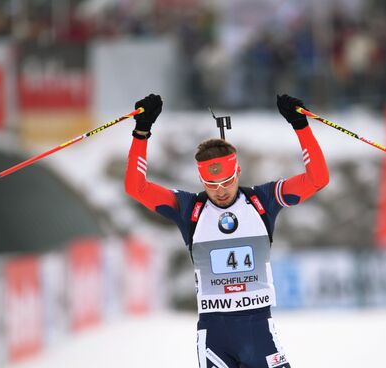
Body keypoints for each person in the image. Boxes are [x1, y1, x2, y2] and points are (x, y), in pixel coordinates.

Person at [125, 93, 329, 368]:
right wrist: (141, 132)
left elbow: (318, 178)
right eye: (211, 183)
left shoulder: (262, 201)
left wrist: (300, 126)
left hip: (258, 329)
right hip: (215, 335)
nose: (220, 190)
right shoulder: (189, 208)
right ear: (201, 179)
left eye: (226, 181)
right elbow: (135, 188)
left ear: (238, 172)